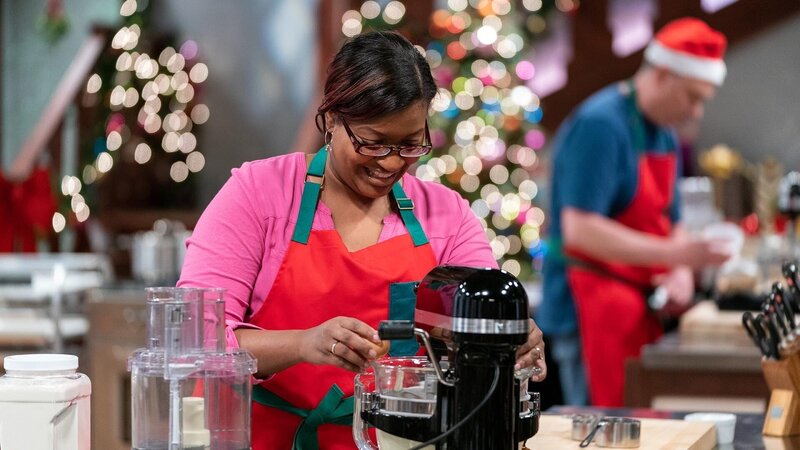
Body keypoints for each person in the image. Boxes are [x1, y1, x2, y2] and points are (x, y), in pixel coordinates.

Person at [178, 31, 547, 449]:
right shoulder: (259, 193)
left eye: (410, 145)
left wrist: (509, 337)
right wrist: (303, 343)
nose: (391, 163)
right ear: (332, 119)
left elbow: (478, 312)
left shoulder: (446, 215)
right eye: (372, 143)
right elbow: (195, 340)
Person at [538, 18, 732, 407]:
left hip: (635, 307)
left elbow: (671, 221)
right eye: (692, 96)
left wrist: (679, 274)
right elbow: (581, 230)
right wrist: (675, 256)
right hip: (587, 309)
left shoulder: (663, 131)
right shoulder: (601, 125)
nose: (695, 111)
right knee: (596, 432)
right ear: (662, 74)